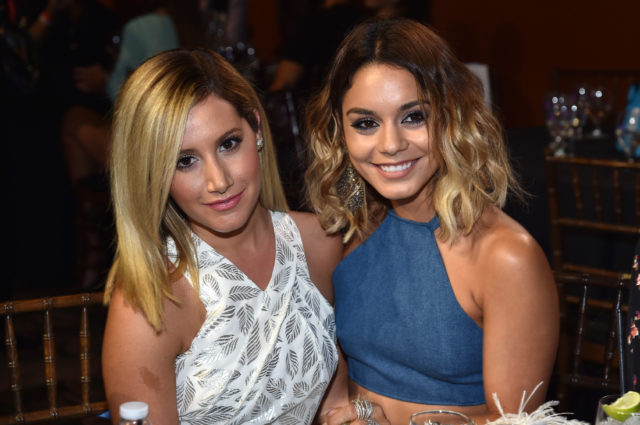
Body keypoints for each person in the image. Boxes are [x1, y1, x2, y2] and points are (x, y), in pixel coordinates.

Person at [101, 47, 388, 425]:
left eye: (228, 144)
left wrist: (357, 416)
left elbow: (331, 403)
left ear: (255, 128)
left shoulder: (320, 244)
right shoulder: (152, 295)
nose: (218, 181)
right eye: (185, 161)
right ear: (155, 173)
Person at [305, 18, 559, 425]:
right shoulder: (348, 230)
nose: (390, 144)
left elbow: (514, 422)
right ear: (339, 132)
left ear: (452, 117)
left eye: (413, 117)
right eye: (366, 123)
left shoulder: (506, 256)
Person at [60, 0, 207, 187]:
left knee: (73, 121)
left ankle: (93, 199)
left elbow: (126, 99)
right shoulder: (197, 24)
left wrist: (104, 81)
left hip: (156, 145)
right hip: (191, 134)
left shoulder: (139, 27)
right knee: (80, 117)